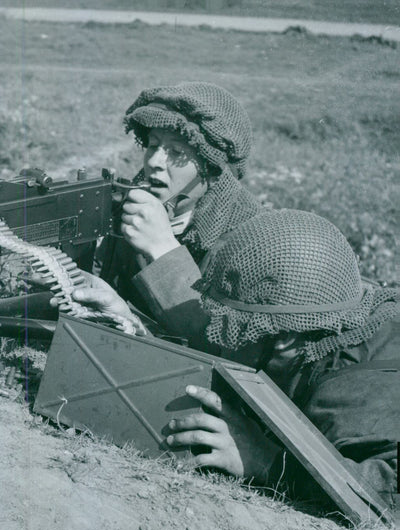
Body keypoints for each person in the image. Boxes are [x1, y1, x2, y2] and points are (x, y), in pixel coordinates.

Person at [162, 209, 398, 512]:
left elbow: (390, 492)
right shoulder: (326, 308)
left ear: (284, 336)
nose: (220, 340)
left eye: (233, 329)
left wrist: (268, 463)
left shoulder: (352, 391)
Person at [74, 82, 264, 344]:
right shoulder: (133, 208)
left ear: (212, 167)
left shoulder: (250, 243)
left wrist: (162, 249)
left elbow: (222, 346)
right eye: (153, 145)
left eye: (176, 151)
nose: (154, 162)